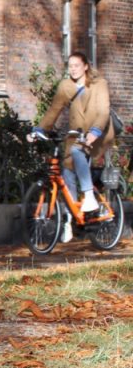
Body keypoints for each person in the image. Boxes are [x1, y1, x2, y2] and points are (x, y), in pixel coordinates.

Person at [31, 52, 113, 234]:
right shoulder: (66, 86)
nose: (73, 69)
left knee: (76, 153)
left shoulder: (100, 84)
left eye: (77, 65)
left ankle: (90, 196)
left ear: (85, 66)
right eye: (70, 66)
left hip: (98, 134)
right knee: (67, 173)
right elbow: (54, 110)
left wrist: (95, 132)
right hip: (76, 135)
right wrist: (38, 130)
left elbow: (103, 111)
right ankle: (71, 217)